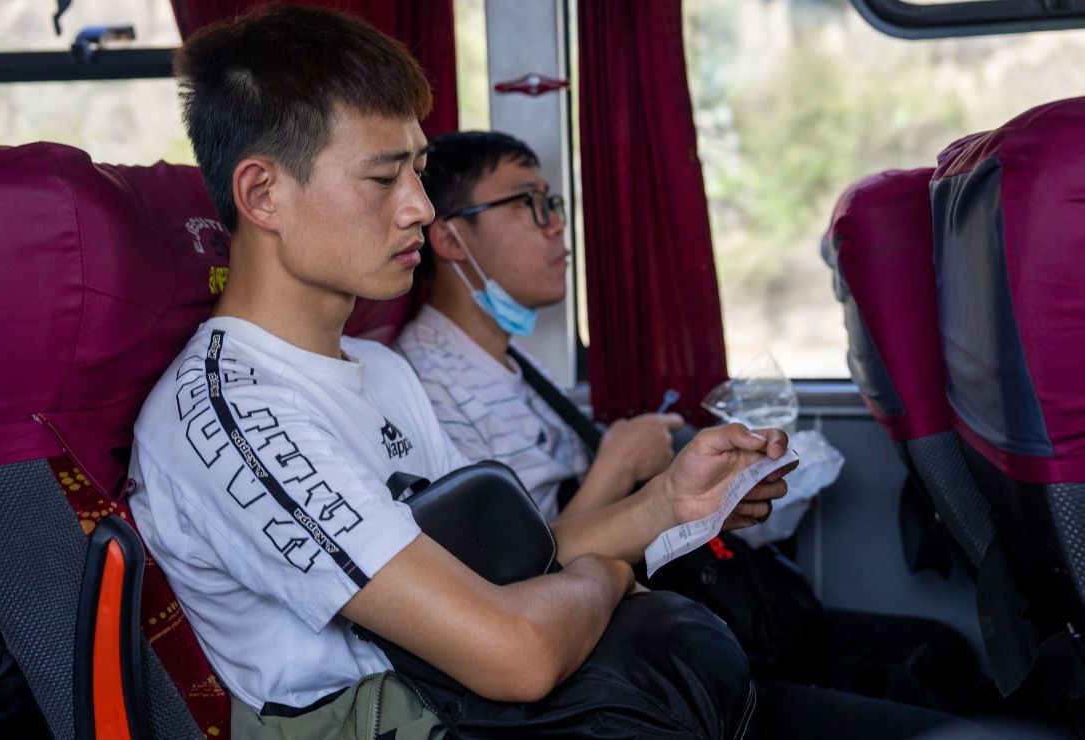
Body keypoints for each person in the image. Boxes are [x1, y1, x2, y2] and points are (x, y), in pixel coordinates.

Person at [126, 6, 797, 739]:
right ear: (263, 196)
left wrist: (671, 503)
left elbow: (505, 569)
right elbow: (517, 654)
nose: (418, 208)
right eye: (384, 179)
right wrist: (607, 578)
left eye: (418, 170)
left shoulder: (377, 369)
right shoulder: (233, 416)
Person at [395, 130, 988, 717]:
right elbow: (516, 577)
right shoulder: (426, 384)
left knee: (939, 653)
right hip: (601, 641)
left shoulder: (508, 365)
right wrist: (619, 466)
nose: (556, 224)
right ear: (449, 236)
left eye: (554, 203)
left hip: (644, 610)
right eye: (529, 203)